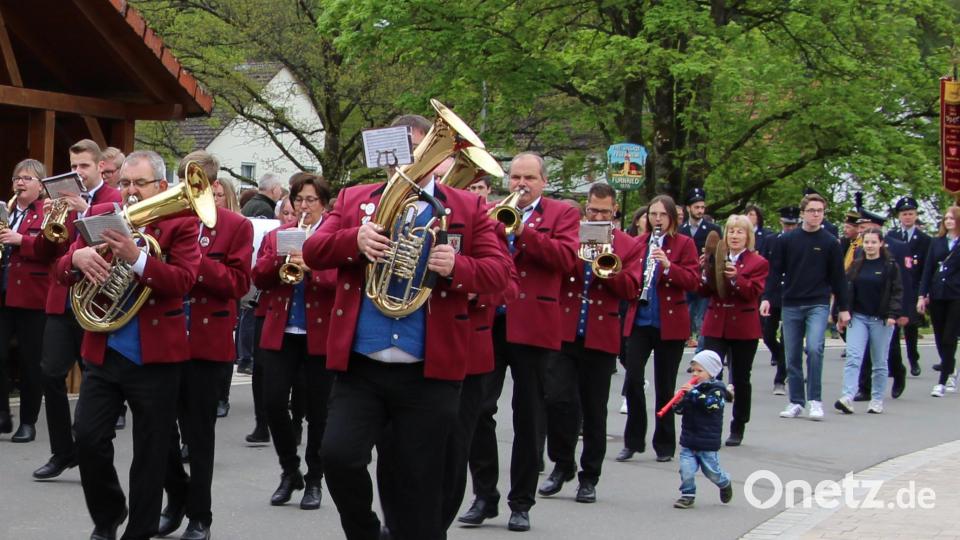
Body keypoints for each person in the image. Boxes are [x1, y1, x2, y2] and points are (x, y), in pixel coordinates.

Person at [302, 141, 513, 540]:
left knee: (418, 486)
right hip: (362, 367)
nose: (406, 161)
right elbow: (313, 251)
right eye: (400, 152)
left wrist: (458, 266)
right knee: (338, 456)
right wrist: (354, 240)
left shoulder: (467, 206)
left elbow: (500, 271)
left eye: (418, 151)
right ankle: (367, 532)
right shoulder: (353, 199)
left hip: (428, 374)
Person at [60, 150, 201, 540]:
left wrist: (138, 259)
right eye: (124, 183)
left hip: (156, 356)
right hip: (104, 349)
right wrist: (79, 258)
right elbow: (61, 270)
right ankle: (108, 515)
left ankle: (137, 533)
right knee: (87, 437)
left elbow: (183, 282)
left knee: (151, 454)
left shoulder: (181, 221)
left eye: (140, 183)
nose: (131, 191)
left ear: (160, 186)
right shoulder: (102, 212)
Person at [459, 152, 579, 533]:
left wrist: (524, 233)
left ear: (543, 181)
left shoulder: (562, 214)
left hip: (534, 325)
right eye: (514, 178)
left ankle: (521, 501)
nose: (521, 185)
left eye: (529, 178)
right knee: (478, 408)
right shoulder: (490, 209)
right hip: (490, 320)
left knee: (529, 416)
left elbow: (566, 261)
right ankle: (484, 495)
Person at [155, 152, 252, 540]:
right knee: (158, 431)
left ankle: (201, 516)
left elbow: (240, 283)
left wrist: (193, 264)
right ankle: (176, 496)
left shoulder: (235, 225)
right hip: (164, 337)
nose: (190, 191)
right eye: (184, 183)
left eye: (196, 184)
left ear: (214, 185)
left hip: (207, 342)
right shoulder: (165, 220)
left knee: (199, 436)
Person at [539, 183, 641, 503]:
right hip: (565, 330)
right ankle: (562, 463)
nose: (598, 216)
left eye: (605, 212)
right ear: (586, 209)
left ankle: (589, 476)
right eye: (593, 211)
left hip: (600, 336)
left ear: (615, 213)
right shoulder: (572, 236)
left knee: (595, 409)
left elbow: (632, 290)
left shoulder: (627, 244)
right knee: (557, 400)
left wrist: (610, 267)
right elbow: (554, 270)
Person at [32, 141, 123, 479]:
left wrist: (83, 210)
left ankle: (93, 446)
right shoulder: (62, 202)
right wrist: (47, 221)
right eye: (74, 166)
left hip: (98, 300)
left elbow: (111, 240)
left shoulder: (112, 199)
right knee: (51, 373)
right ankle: (62, 451)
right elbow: (46, 251)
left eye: (84, 166)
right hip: (63, 298)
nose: (78, 173)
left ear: (100, 167)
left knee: (98, 378)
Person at [251, 173, 336, 511]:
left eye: (310, 200)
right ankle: (290, 471)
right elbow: (258, 276)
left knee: (319, 413)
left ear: (323, 205)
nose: (303, 207)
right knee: (272, 403)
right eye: (298, 201)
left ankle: (315, 478)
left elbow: (341, 281)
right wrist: (280, 260)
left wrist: (312, 265)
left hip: (320, 335)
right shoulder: (277, 236)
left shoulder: (333, 238)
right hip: (281, 331)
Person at [616, 194, 699, 463]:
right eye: (653, 214)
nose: (657, 219)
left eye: (663, 215)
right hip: (639, 320)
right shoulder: (637, 243)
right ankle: (633, 440)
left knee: (665, 386)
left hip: (669, 323)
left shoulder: (684, 244)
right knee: (633, 381)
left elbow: (693, 281)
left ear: (672, 218)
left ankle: (664, 443)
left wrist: (668, 266)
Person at [761, 193, 849, 420]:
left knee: (814, 348)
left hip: (817, 303)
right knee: (791, 354)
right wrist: (767, 297)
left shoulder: (830, 242)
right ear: (803, 213)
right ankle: (796, 401)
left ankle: (815, 400)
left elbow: (839, 277)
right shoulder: (786, 241)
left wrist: (843, 307)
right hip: (791, 302)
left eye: (820, 211)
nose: (816, 215)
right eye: (812, 210)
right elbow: (775, 272)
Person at [698, 214, 768, 446]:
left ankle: (738, 424)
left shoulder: (757, 262)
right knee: (709, 375)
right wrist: (705, 271)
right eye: (731, 231)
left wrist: (737, 279)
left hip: (743, 326)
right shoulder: (717, 257)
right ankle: (709, 422)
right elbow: (704, 291)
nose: (735, 236)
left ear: (748, 236)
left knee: (740, 377)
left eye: (740, 232)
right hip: (717, 322)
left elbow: (753, 292)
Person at [0, 159, 51, 443]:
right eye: (16, 177)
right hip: (4, 294)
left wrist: (22, 240)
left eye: (27, 178)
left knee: (32, 363)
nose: (20, 182)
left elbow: (55, 248)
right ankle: (2, 412)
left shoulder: (46, 212)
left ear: (41, 186)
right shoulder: (5, 210)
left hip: (33, 297)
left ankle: (28, 422)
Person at [834, 227, 902, 415]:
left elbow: (897, 292)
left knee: (879, 361)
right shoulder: (856, 265)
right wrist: (843, 311)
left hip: (881, 319)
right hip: (859, 317)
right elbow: (846, 289)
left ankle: (877, 398)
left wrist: (892, 314)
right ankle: (847, 395)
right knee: (854, 357)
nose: (870, 246)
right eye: (866, 242)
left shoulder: (890, 266)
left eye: (873, 242)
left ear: (881, 243)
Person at [671, 350, 733, 509]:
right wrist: (678, 401)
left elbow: (710, 405)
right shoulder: (692, 390)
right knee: (686, 470)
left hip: (707, 442)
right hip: (689, 439)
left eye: (700, 371)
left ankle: (724, 482)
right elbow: (680, 410)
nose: (695, 374)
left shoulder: (717, 390)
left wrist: (694, 393)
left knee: (711, 472)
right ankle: (687, 495)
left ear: (711, 372)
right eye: (694, 370)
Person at [917, 206, 960, 397]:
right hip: (937, 293)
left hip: (956, 294)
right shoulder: (937, 242)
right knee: (940, 335)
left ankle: (942, 380)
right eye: (946, 218)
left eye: (952, 218)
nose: (948, 221)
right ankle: (951, 368)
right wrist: (922, 294)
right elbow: (928, 269)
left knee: (950, 336)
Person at [886, 196, 930, 377]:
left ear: (916, 215)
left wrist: (924, 292)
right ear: (899, 216)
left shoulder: (925, 239)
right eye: (904, 214)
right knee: (892, 328)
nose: (907, 217)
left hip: (914, 286)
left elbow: (927, 266)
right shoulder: (892, 236)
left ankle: (913, 359)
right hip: (896, 286)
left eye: (911, 213)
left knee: (911, 327)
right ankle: (894, 363)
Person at [761, 206, 799, 394]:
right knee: (767, 334)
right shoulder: (771, 241)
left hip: (793, 293)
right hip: (773, 293)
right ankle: (784, 360)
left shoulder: (801, 241)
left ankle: (781, 377)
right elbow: (764, 267)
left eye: (793, 224)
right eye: (787, 224)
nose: (790, 228)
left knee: (787, 339)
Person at [679, 187, 722, 348]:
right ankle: (686, 339)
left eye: (702, 207)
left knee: (702, 318)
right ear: (688, 208)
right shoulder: (680, 230)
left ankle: (701, 352)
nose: (700, 211)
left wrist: (709, 261)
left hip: (705, 279)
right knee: (686, 315)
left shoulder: (713, 230)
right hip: (687, 278)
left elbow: (720, 254)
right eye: (696, 207)